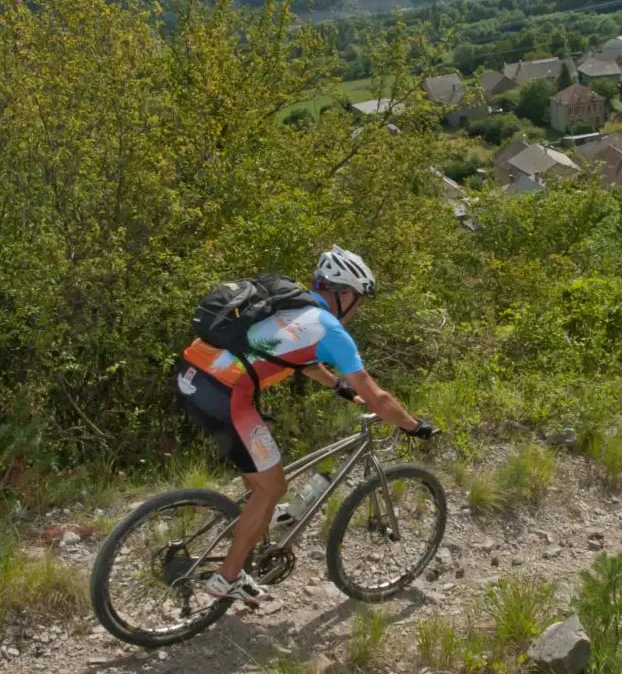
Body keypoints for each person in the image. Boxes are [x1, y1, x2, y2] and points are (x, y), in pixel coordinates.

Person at [176, 246, 437, 605]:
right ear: (344, 293)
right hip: (227, 396)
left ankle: (244, 543)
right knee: (273, 488)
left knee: (259, 482)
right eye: (358, 300)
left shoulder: (293, 307)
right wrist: (413, 426)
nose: (357, 310)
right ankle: (228, 578)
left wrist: (340, 390)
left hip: (193, 377)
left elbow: (304, 360)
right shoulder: (330, 329)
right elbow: (378, 397)